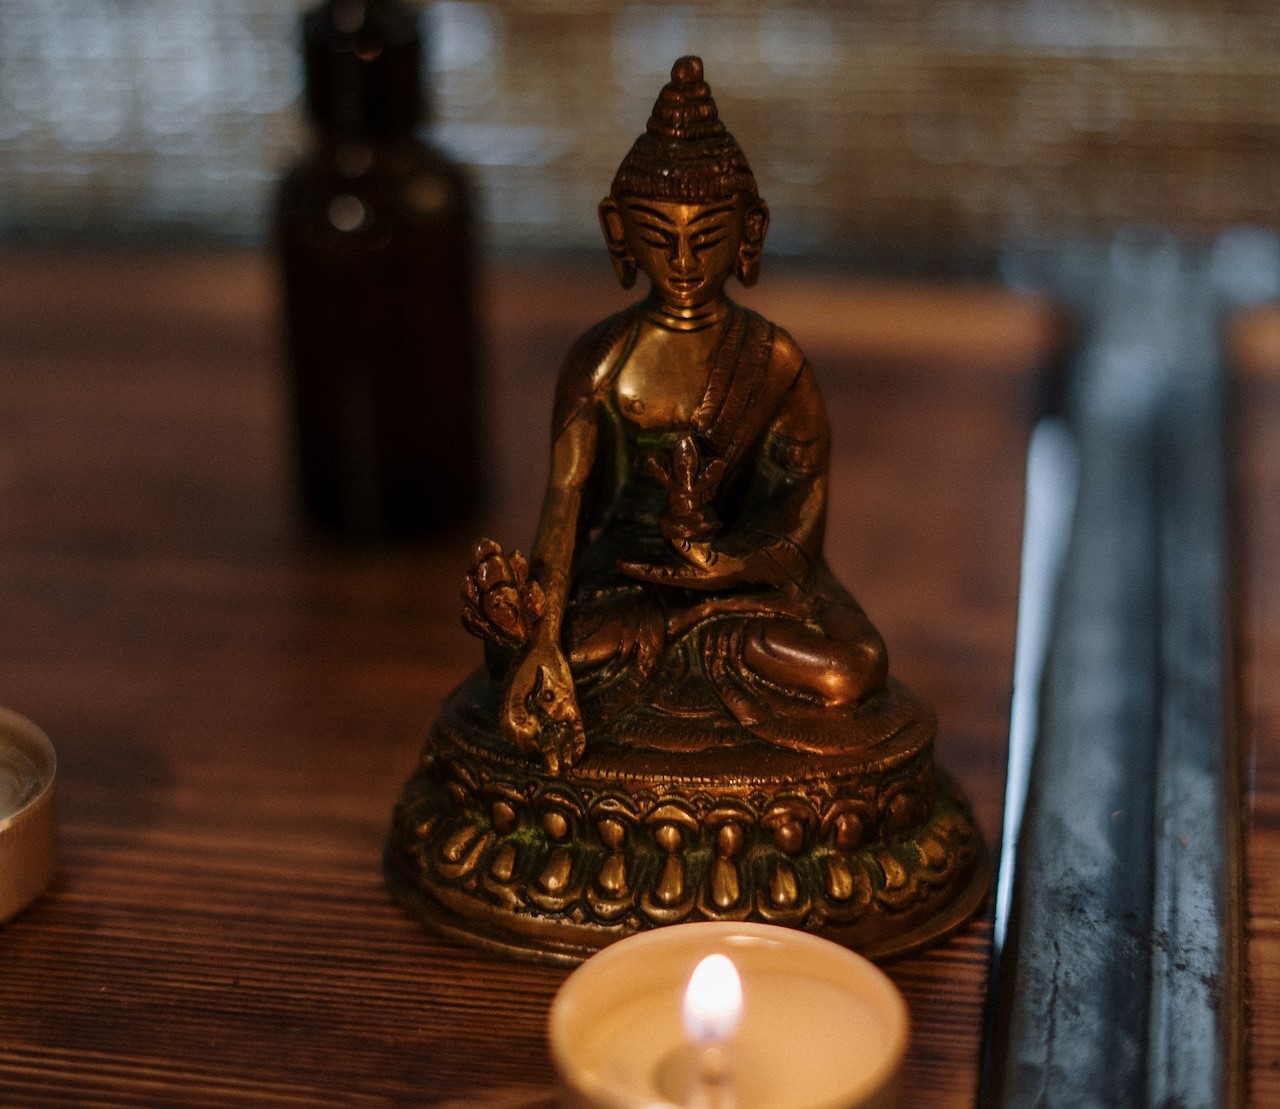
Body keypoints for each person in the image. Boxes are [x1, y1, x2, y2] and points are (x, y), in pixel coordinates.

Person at [466, 57, 888, 772]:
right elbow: (565, 507)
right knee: (544, 656)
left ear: (750, 229)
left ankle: (679, 655)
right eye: (661, 236)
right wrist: (539, 639)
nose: (686, 259)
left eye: (708, 234)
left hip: (744, 589)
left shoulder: (775, 361)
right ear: (618, 230)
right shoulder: (602, 359)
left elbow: (799, 508)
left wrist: (719, 559)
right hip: (628, 582)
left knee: (853, 668)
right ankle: (565, 653)